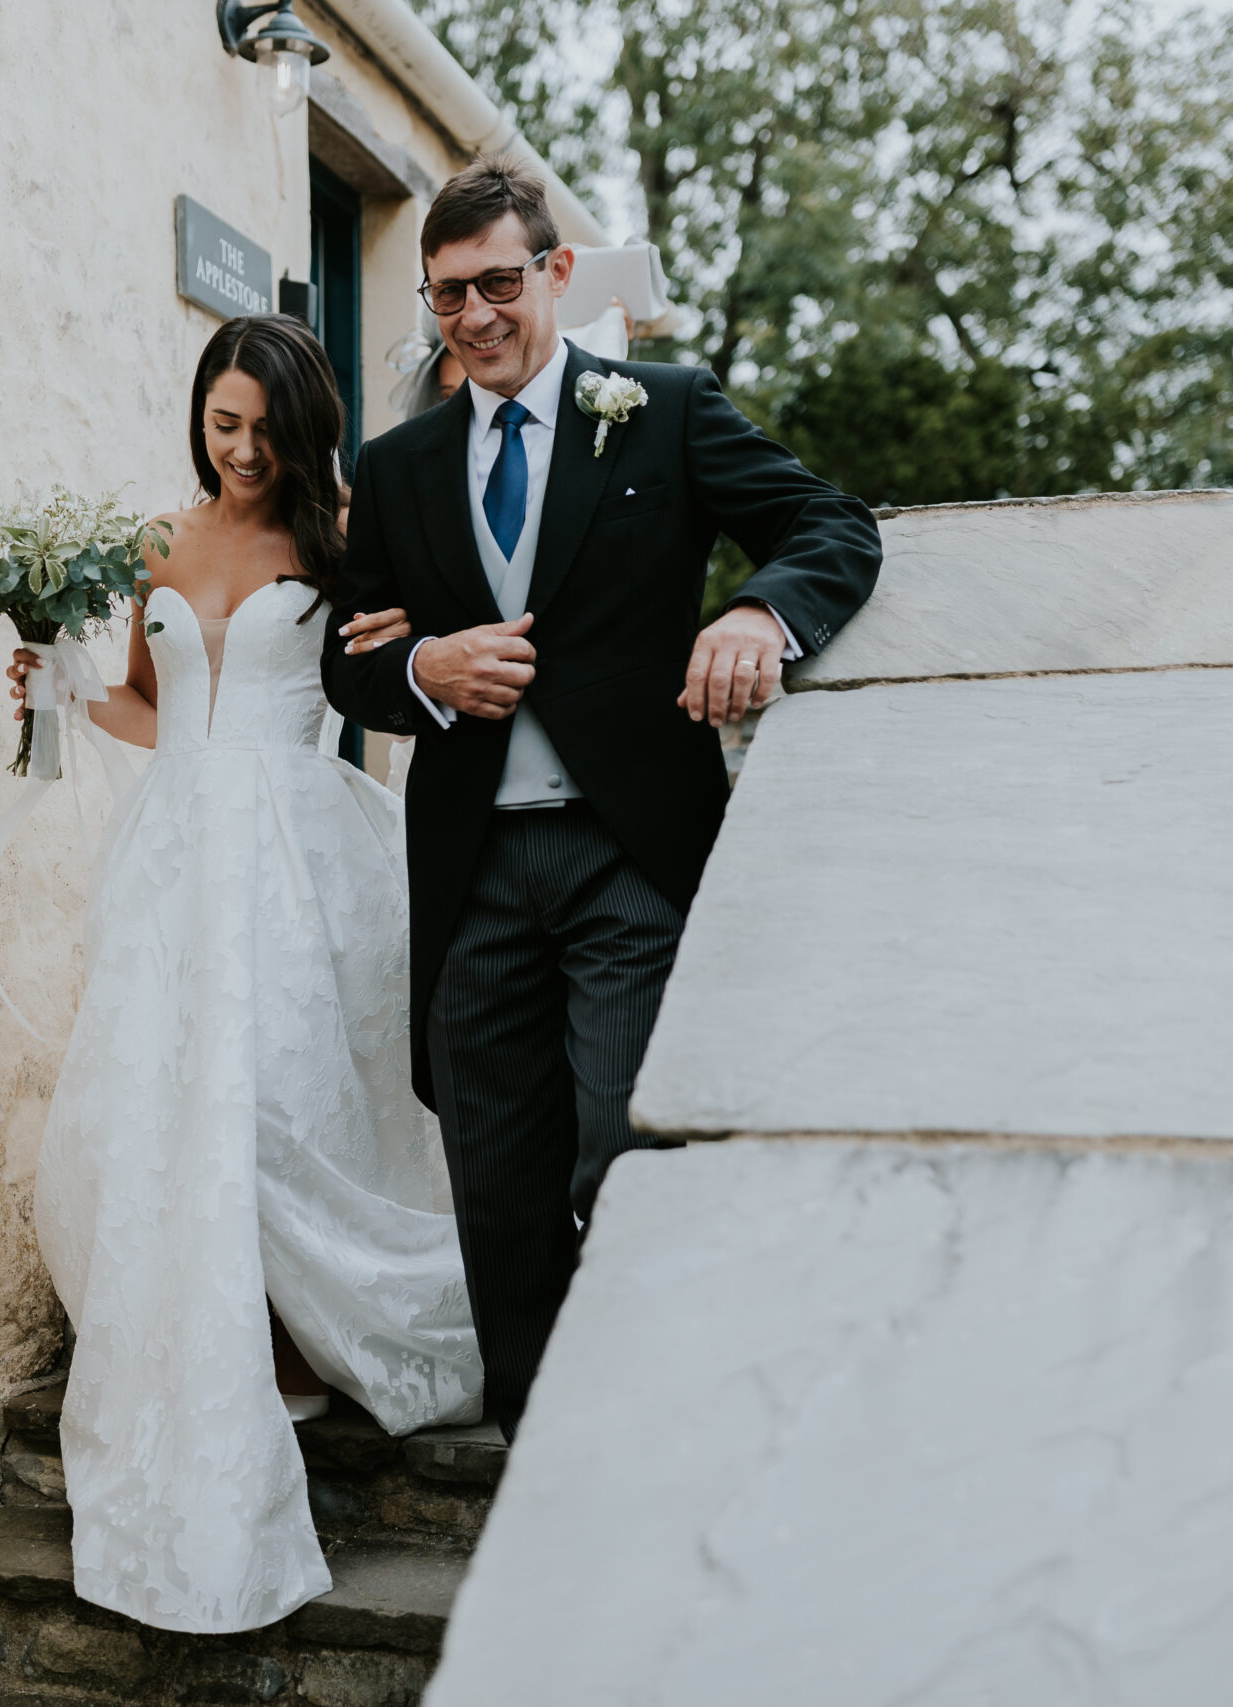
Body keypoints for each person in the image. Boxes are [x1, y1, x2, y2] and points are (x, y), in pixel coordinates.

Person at [323, 159, 882, 1442]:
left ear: (555, 276)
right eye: (449, 293)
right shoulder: (400, 467)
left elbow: (831, 526)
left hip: (628, 857)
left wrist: (756, 611)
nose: (476, 316)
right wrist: (426, 666)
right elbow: (344, 661)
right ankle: (538, 1460)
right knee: (500, 1193)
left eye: (500, 284)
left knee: (627, 1162)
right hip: (470, 877)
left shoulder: (665, 411)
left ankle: (653, 1438)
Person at [4, 315, 483, 1635]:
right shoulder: (157, 539)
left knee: (276, 1089)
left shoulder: (342, 536)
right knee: (169, 1088)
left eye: (265, 429)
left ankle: (301, 1335)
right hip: (173, 856)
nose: (242, 451)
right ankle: (212, 1333)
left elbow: (393, 669)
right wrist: (60, 686)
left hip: (291, 849)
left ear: (302, 425)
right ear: (199, 416)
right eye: (224, 425)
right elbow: (153, 707)